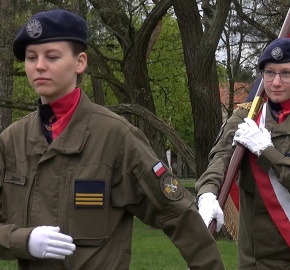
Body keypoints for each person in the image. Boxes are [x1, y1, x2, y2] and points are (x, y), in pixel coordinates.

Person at [0, 9, 224, 270]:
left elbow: (176, 213)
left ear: (80, 62)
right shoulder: (11, 142)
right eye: (31, 57)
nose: (39, 65)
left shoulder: (116, 137)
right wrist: (22, 241)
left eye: (51, 56)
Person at [196, 38, 290, 269]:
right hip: (254, 256)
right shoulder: (244, 118)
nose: (275, 82)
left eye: (286, 74)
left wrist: (267, 152)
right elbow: (220, 159)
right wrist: (207, 194)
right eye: (269, 73)